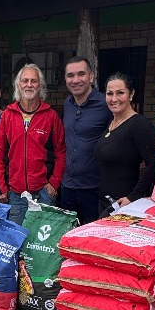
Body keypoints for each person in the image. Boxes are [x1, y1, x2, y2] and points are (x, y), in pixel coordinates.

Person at [0, 63, 66, 224]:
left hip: (43, 193)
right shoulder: (7, 115)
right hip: (16, 194)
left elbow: (61, 153)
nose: (29, 84)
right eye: (25, 80)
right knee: (18, 243)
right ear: (18, 85)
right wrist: (3, 188)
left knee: (41, 245)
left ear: (40, 85)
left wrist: (54, 183)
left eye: (33, 81)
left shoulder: (51, 116)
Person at [95, 71, 155, 212]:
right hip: (105, 202)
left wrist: (133, 197)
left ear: (131, 94)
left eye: (120, 93)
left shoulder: (139, 124)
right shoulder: (112, 123)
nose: (114, 98)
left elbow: (154, 163)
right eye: (109, 93)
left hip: (124, 205)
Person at [62, 56, 110, 224]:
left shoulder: (106, 104)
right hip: (68, 187)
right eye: (70, 75)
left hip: (94, 188)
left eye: (80, 74)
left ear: (91, 76)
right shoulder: (67, 104)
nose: (75, 80)